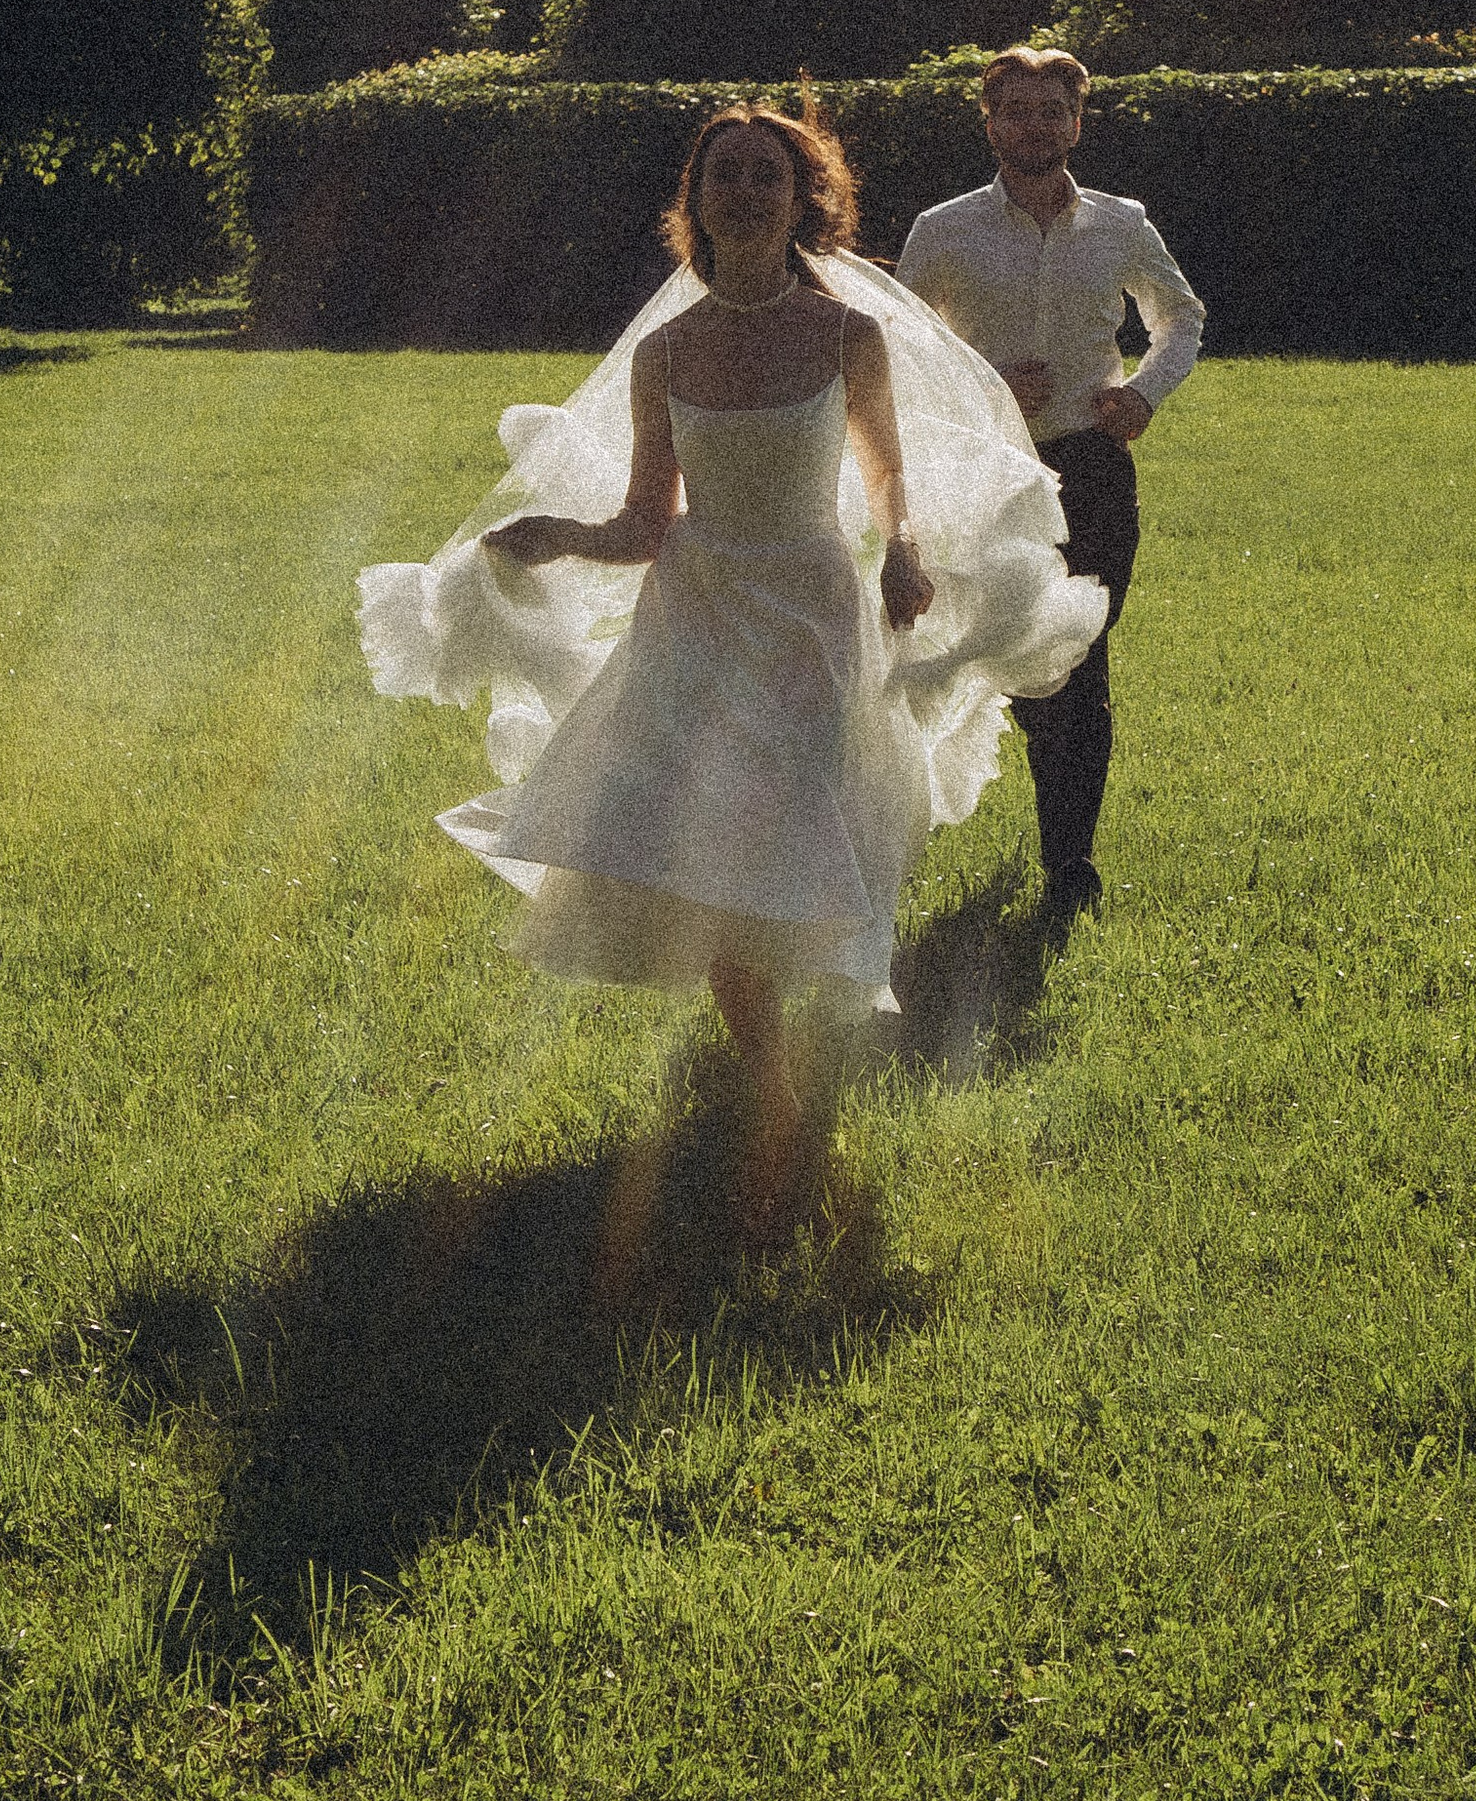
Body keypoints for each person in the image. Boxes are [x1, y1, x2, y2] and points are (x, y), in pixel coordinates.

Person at [355, 100, 1107, 1225]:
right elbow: (642, 523)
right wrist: (549, 537)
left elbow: (891, 478)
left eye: (767, 176)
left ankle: (787, 1051)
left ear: (805, 198)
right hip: (695, 615)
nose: (745, 194)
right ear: (695, 203)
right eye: (726, 177)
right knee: (703, 842)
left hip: (807, 614)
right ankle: (771, 1078)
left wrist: (902, 552)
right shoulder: (665, 352)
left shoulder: (844, 336)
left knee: (793, 827)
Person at [897, 47, 1204, 923]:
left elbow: (1180, 317)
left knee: (1082, 662)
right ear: (989, 120)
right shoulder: (943, 229)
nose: (1036, 125)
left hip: (1093, 467)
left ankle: (1071, 866)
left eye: (1053, 111)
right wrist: (988, 382)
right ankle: (1029, 801)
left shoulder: (1121, 222)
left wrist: (1144, 392)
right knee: (1025, 667)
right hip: (989, 477)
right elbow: (897, 347)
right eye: (1018, 110)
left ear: (1078, 121)